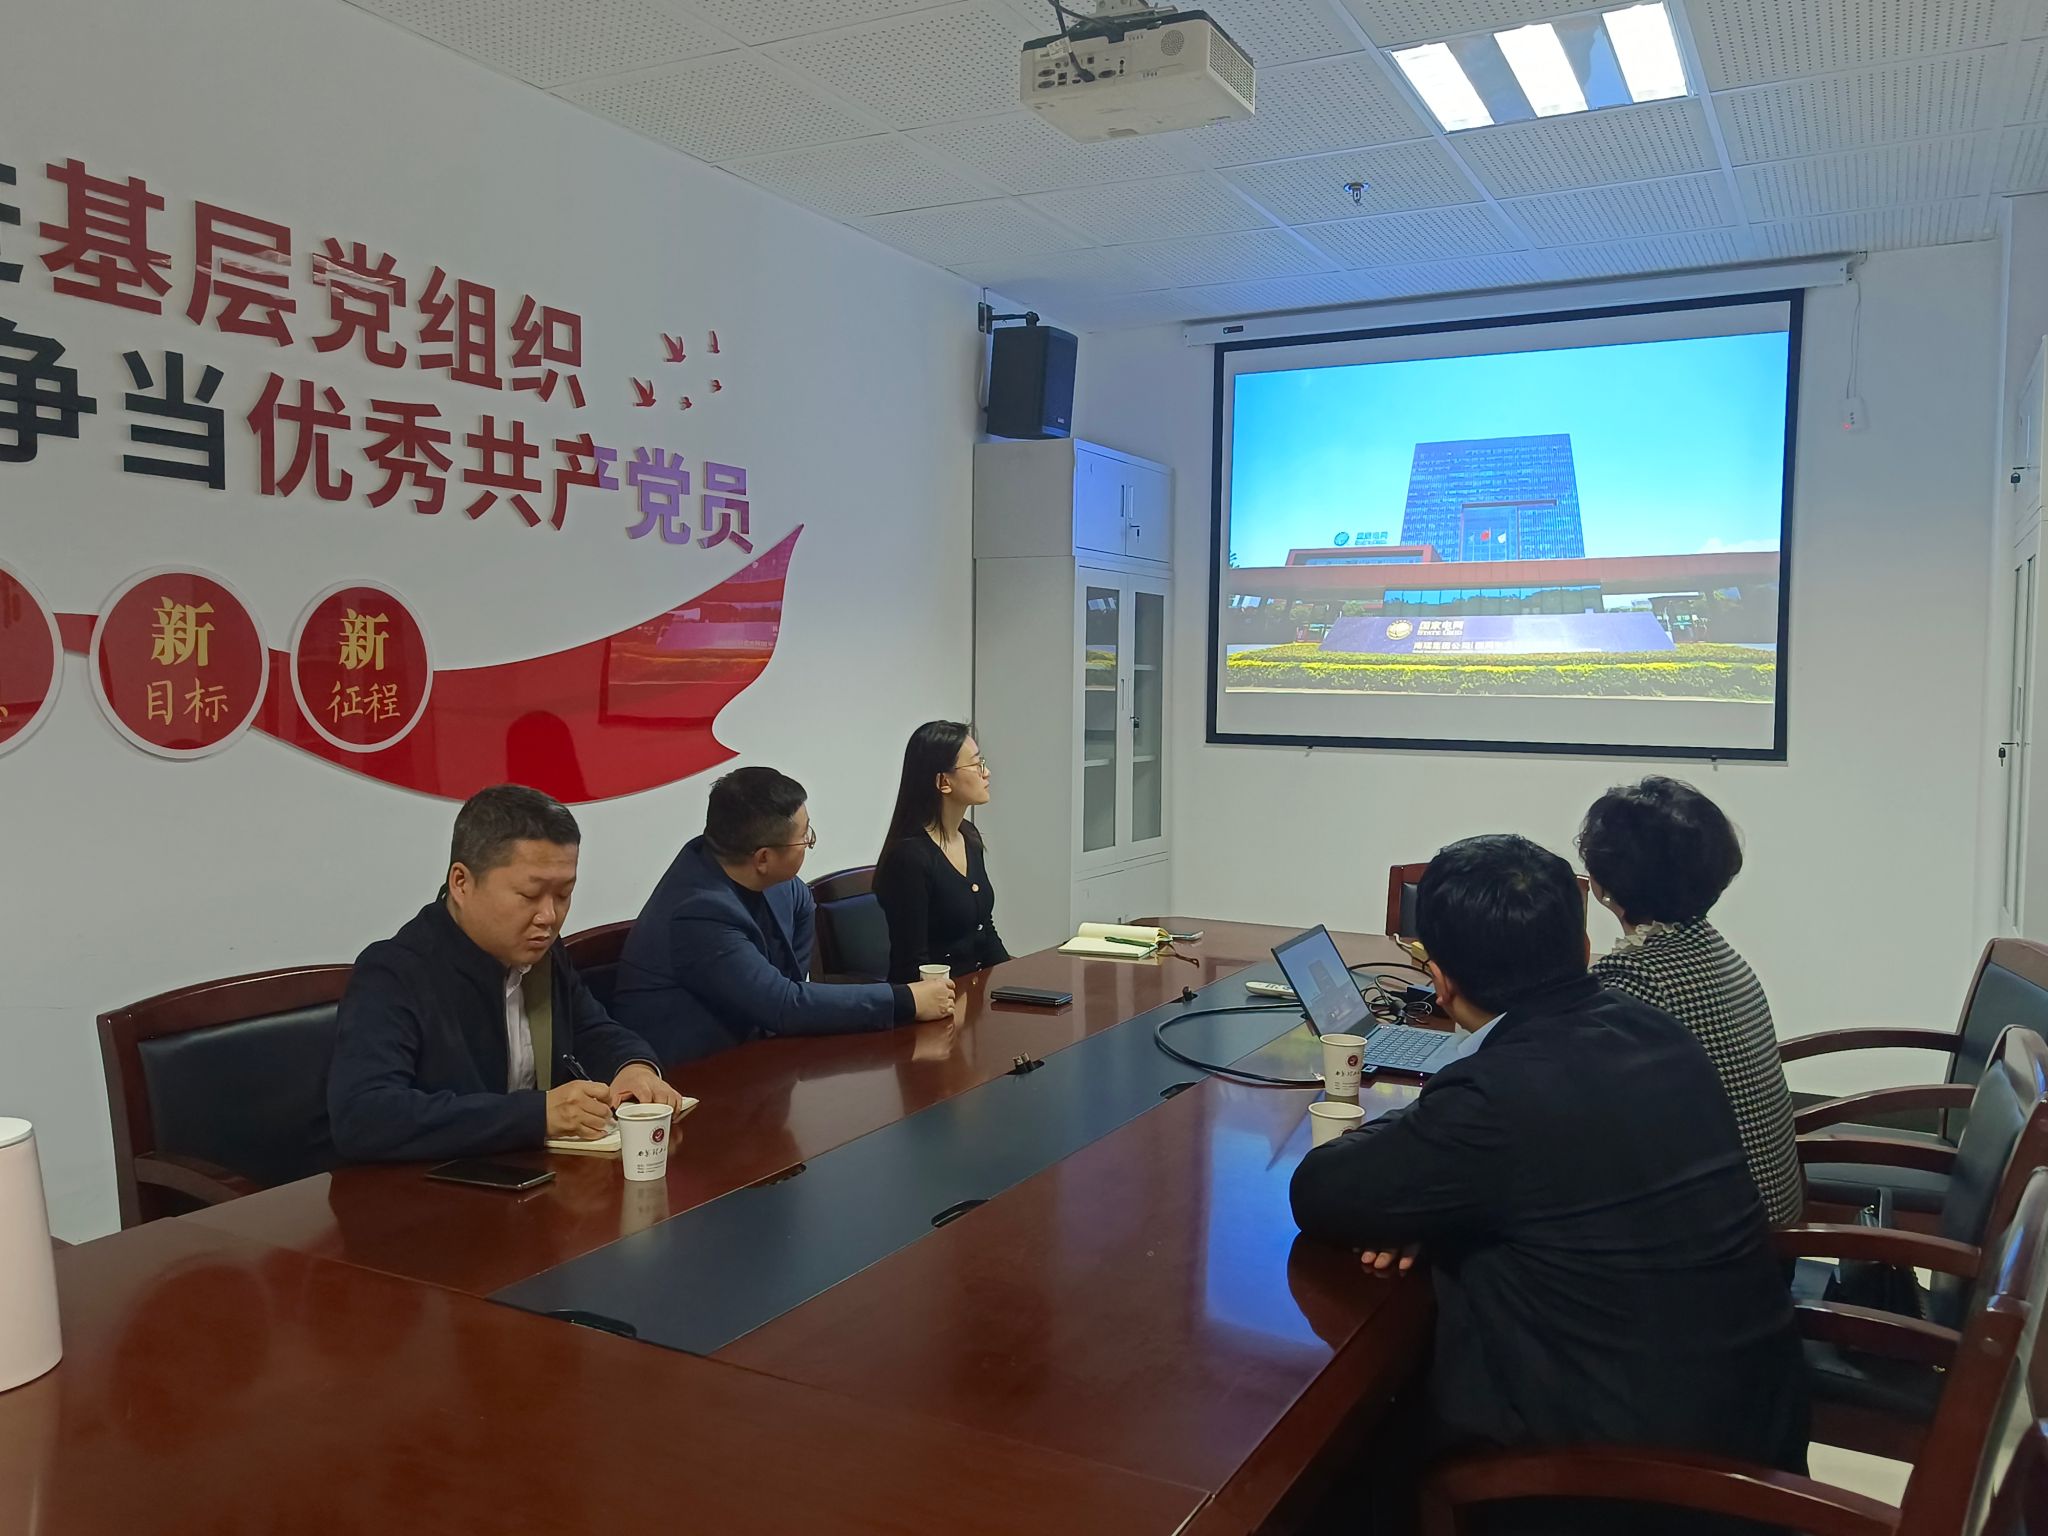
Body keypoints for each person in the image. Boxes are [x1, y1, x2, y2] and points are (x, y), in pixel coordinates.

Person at [1290, 835, 1806, 1534]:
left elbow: (1321, 1190)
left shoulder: (1492, 1100)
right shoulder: (1657, 1033)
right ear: (1584, 951)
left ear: (1440, 982)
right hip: (1752, 1451)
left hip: (1623, 1493)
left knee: (1343, 1468)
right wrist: (1433, 1184)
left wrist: (1421, 1193)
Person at [329, 784, 689, 1162]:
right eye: (530, 895)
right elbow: (364, 1116)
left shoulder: (544, 954)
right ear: (461, 883)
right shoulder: (393, 974)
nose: (548, 916)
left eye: (563, 894)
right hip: (430, 1185)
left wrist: (633, 1067)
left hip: (526, 1175)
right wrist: (537, 1115)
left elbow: (592, 1031)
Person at [614, 766, 955, 1064]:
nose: (808, 842)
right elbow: (783, 1004)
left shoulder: (779, 883)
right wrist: (906, 1000)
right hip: (690, 1077)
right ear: (762, 858)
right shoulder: (698, 913)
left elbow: (792, 984)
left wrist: (793, 1006)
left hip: (760, 1056)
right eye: (804, 837)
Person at [1579, 776, 1803, 1228]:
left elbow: (1577, 1114)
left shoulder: (1635, 980)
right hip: (1767, 1215)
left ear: (1603, 883)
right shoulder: (1706, 944)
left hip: (1721, 1238)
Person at [872, 721, 1010, 984]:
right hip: (933, 999)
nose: (987, 773)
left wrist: (1014, 981)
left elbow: (985, 931)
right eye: (977, 765)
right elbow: (912, 965)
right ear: (944, 782)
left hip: (974, 991)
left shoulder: (969, 837)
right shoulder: (909, 858)